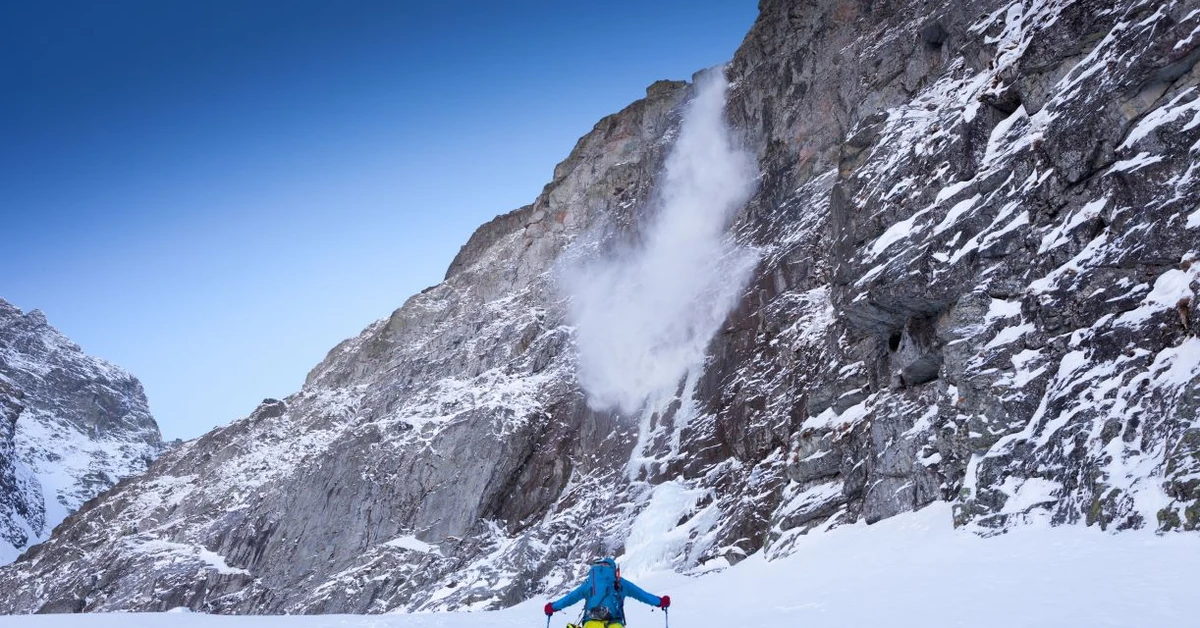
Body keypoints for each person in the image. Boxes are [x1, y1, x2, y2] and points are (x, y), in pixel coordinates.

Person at [543, 557, 670, 627]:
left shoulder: (589, 583)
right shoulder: (620, 582)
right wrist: (660, 602)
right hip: (615, 623)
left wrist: (552, 607)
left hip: (591, 623)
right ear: (614, 570)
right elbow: (642, 595)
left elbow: (570, 598)